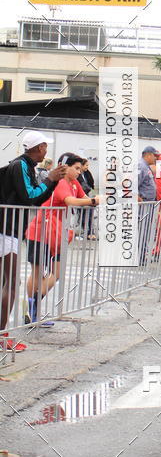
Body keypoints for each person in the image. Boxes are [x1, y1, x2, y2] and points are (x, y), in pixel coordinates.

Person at [0, 131, 66, 349]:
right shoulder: (20, 166)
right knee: (10, 283)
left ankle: (2, 334)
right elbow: (30, 197)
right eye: (45, 147)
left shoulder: (25, 166)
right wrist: (50, 179)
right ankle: (2, 336)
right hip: (6, 229)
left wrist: (51, 181)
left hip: (11, 229)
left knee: (9, 283)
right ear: (38, 148)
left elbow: (35, 198)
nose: (46, 150)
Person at [25, 153, 100, 326]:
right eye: (76, 169)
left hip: (58, 234)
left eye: (80, 169)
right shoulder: (60, 183)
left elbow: (82, 198)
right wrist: (95, 200)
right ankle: (31, 309)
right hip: (41, 231)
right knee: (37, 273)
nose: (79, 173)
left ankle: (33, 305)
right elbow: (71, 201)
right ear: (64, 167)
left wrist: (99, 200)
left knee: (56, 273)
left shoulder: (74, 183)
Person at [137, 145, 158, 266]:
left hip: (148, 203)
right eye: (154, 155)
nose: (155, 158)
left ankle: (142, 254)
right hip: (143, 203)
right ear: (148, 154)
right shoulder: (141, 166)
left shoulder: (146, 167)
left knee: (145, 230)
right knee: (142, 230)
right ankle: (139, 256)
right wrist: (136, 195)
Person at [77, 159, 96, 240]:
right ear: (81, 165)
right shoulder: (78, 175)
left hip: (88, 195)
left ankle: (90, 232)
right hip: (81, 196)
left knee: (90, 214)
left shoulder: (87, 173)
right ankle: (85, 232)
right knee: (83, 215)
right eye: (86, 165)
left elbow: (90, 184)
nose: (87, 167)